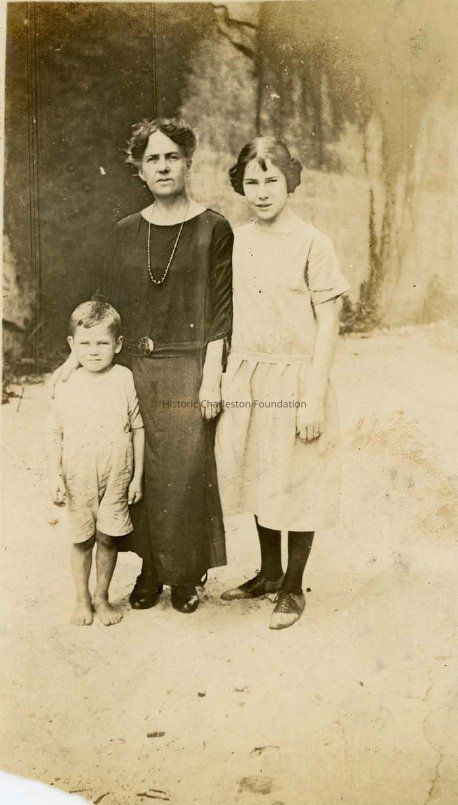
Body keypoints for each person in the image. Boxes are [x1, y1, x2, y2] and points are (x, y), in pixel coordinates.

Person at [96, 118, 233, 614]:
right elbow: (108, 306)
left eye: (172, 156)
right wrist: (80, 363)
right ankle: (150, 570)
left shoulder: (213, 227)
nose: (163, 166)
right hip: (134, 366)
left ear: (188, 163)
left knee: (184, 470)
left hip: (188, 366)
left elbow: (221, 311)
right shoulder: (125, 231)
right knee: (139, 469)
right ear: (139, 170)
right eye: (152, 159)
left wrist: (212, 376)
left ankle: (186, 575)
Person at [215, 137, 350, 630]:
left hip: (297, 379)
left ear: (290, 180)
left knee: (299, 477)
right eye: (252, 182)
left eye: (272, 179)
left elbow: (329, 322)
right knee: (259, 472)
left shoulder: (313, 242)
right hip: (250, 375)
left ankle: (293, 585)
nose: (262, 191)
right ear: (240, 186)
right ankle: (269, 572)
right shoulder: (237, 240)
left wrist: (313, 396)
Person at [47, 300, 144, 626]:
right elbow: (54, 434)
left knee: (108, 537)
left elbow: (138, 428)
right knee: (82, 539)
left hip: (117, 474)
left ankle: (102, 597)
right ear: (72, 344)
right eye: (85, 343)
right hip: (78, 476)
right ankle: (82, 600)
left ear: (118, 344)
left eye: (102, 343)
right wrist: (54, 476)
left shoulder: (124, 378)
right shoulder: (67, 383)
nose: (93, 351)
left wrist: (137, 477)